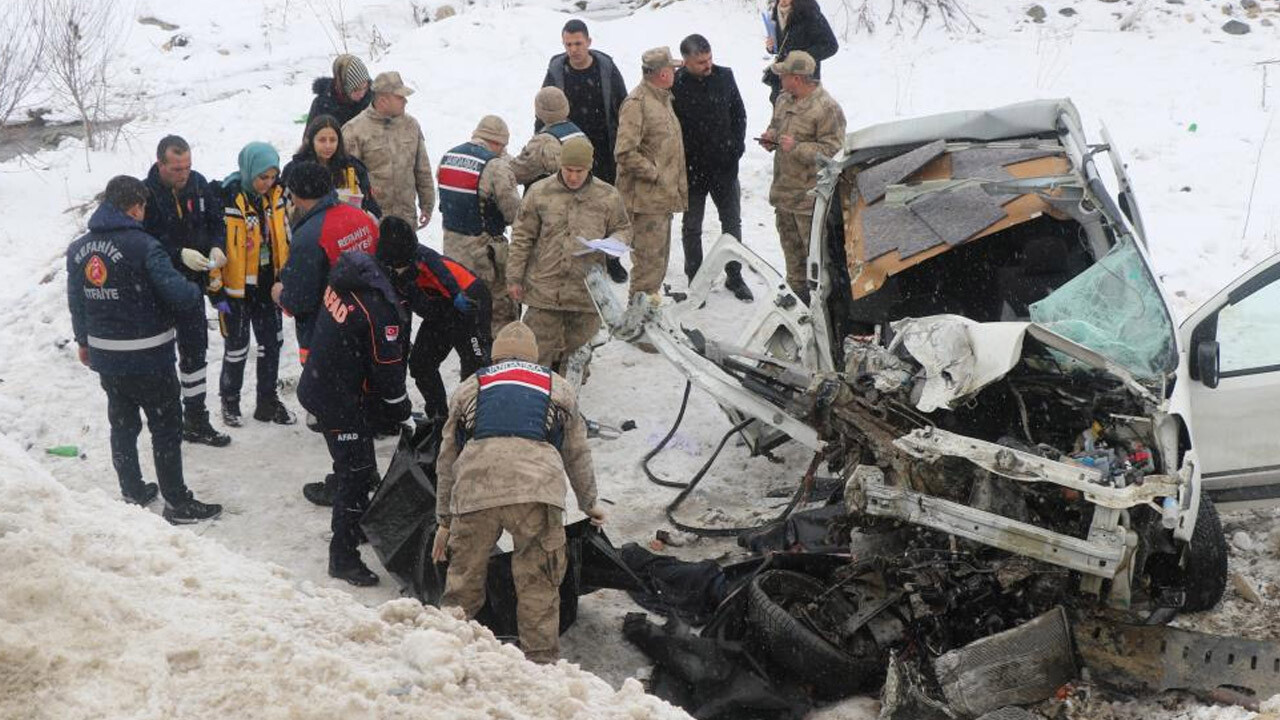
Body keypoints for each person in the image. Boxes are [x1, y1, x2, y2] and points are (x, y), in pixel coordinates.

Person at [432, 320, 605, 664]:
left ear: (495, 356)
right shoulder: (558, 386)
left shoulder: (470, 387)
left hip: (476, 489)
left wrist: (444, 521)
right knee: (538, 582)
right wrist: (590, 503)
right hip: (536, 492)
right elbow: (577, 451)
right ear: (534, 356)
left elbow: (447, 457)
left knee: (463, 583)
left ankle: (445, 656)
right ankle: (541, 664)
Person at [67, 175, 222, 524]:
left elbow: (76, 300)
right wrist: (198, 287)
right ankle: (177, 502)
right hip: (149, 355)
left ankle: (132, 489)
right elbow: (179, 296)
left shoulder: (79, 249)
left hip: (107, 357)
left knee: (122, 424)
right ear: (135, 206)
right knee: (165, 428)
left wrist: (82, 341)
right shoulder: (144, 246)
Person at [297, 236, 416, 587]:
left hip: (321, 383)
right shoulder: (377, 308)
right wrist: (402, 412)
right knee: (358, 472)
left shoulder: (348, 275)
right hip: (338, 399)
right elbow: (388, 370)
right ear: (399, 265)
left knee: (353, 462)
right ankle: (343, 557)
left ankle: (357, 523)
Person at [507, 137, 631, 375]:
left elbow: (623, 228)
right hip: (545, 289)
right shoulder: (539, 192)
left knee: (577, 359)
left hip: (586, 292)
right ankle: (534, 402)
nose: (573, 176)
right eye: (568, 170)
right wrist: (514, 277)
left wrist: (615, 242)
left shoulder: (608, 196)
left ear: (589, 167)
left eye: (579, 171)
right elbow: (522, 236)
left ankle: (566, 404)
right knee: (533, 355)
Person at [142, 135, 231, 447]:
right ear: (160, 164)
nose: (183, 174)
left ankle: (196, 417)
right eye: (176, 169)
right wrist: (177, 252)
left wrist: (219, 245)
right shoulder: (146, 194)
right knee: (162, 355)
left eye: (187, 167)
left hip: (193, 286)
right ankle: (166, 420)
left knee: (195, 351)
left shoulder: (198, 184)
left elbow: (216, 220)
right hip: (161, 287)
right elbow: (145, 240)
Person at [540, 19, 630, 285]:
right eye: (568, 44)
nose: (573, 49)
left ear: (589, 42)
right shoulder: (557, 70)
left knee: (607, 206)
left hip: (603, 148)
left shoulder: (605, 67)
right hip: (569, 150)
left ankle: (611, 259)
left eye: (578, 43)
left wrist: (623, 144)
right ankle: (573, 258)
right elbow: (544, 108)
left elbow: (622, 106)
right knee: (571, 206)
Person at [212, 142, 295, 426]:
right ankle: (229, 401)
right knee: (236, 347)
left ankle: (267, 400)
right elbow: (216, 247)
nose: (268, 183)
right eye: (263, 177)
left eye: (272, 176)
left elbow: (285, 235)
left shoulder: (278, 197)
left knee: (271, 344)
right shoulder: (228, 199)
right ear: (249, 172)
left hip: (269, 284)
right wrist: (216, 289)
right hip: (236, 288)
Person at [380, 216, 492, 421]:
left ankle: (473, 420)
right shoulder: (388, 269)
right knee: (421, 365)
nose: (399, 272)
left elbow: (443, 274)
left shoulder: (423, 257)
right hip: (439, 312)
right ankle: (439, 416)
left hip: (468, 301)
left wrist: (456, 294)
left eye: (402, 266)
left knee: (475, 366)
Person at [758, 51, 846, 305]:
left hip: (810, 204)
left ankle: (822, 314)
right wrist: (771, 137)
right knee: (793, 262)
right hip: (785, 197)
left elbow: (834, 153)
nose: (780, 80)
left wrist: (796, 147)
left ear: (796, 78)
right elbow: (776, 126)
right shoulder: (784, 99)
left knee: (817, 265)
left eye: (783, 75)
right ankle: (798, 306)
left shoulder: (827, 108)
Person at [672, 34, 753, 302]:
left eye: (709, 59)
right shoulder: (676, 84)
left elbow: (739, 114)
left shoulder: (724, 76)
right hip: (692, 170)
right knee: (692, 227)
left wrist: (736, 148)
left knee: (731, 223)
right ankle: (695, 279)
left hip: (724, 167)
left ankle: (735, 275)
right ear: (685, 62)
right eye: (700, 62)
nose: (707, 65)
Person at [278, 161, 380, 364]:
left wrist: (280, 294)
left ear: (296, 195)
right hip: (367, 322)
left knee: (322, 394)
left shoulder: (309, 236)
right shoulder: (360, 216)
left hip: (325, 334)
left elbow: (299, 300)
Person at [614, 47, 687, 300]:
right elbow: (624, 152)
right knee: (647, 267)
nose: (676, 73)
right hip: (645, 203)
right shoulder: (637, 104)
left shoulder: (663, 99)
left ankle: (648, 316)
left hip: (661, 200)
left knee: (657, 266)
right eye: (673, 69)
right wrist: (655, 174)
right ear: (663, 74)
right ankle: (639, 322)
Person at [437, 115, 522, 333]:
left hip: (453, 249)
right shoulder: (495, 166)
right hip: (484, 254)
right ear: (498, 143)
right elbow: (514, 213)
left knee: (465, 302)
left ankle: (469, 344)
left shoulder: (449, 156)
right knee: (499, 309)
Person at [343, 71, 436, 228]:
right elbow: (346, 181)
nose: (405, 101)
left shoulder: (411, 125)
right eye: (400, 97)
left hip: (406, 219)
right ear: (383, 100)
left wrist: (427, 204)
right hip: (372, 221)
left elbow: (422, 168)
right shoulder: (354, 130)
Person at [282, 114, 382, 218]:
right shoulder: (295, 169)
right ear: (311, 141)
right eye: (322, 140)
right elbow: (284, 204)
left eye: (333, 140)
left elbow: (370, 204)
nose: (328, 146)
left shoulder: (352, 166)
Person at [763, 0, 838, 104]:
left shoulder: (809, 12)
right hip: (782, 85)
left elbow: (831, 45)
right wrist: (771, 47)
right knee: (782, 117)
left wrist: (801, 58)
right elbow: (784, 46)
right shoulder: (777, 13)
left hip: (804, 84)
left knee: (805, 117)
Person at [510, 87, 585, 187]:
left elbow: (518, 173)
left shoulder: (542, 142)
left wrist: (500, 159)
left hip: (551, 198)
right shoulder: (578, 133)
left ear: (539, 111)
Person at [307, 54, 372, 127]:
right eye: (356, 90)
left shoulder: (373, 100)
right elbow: (310, 136)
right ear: (343, 87)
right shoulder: (322, 106)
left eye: (365, 87)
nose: (362, 94)